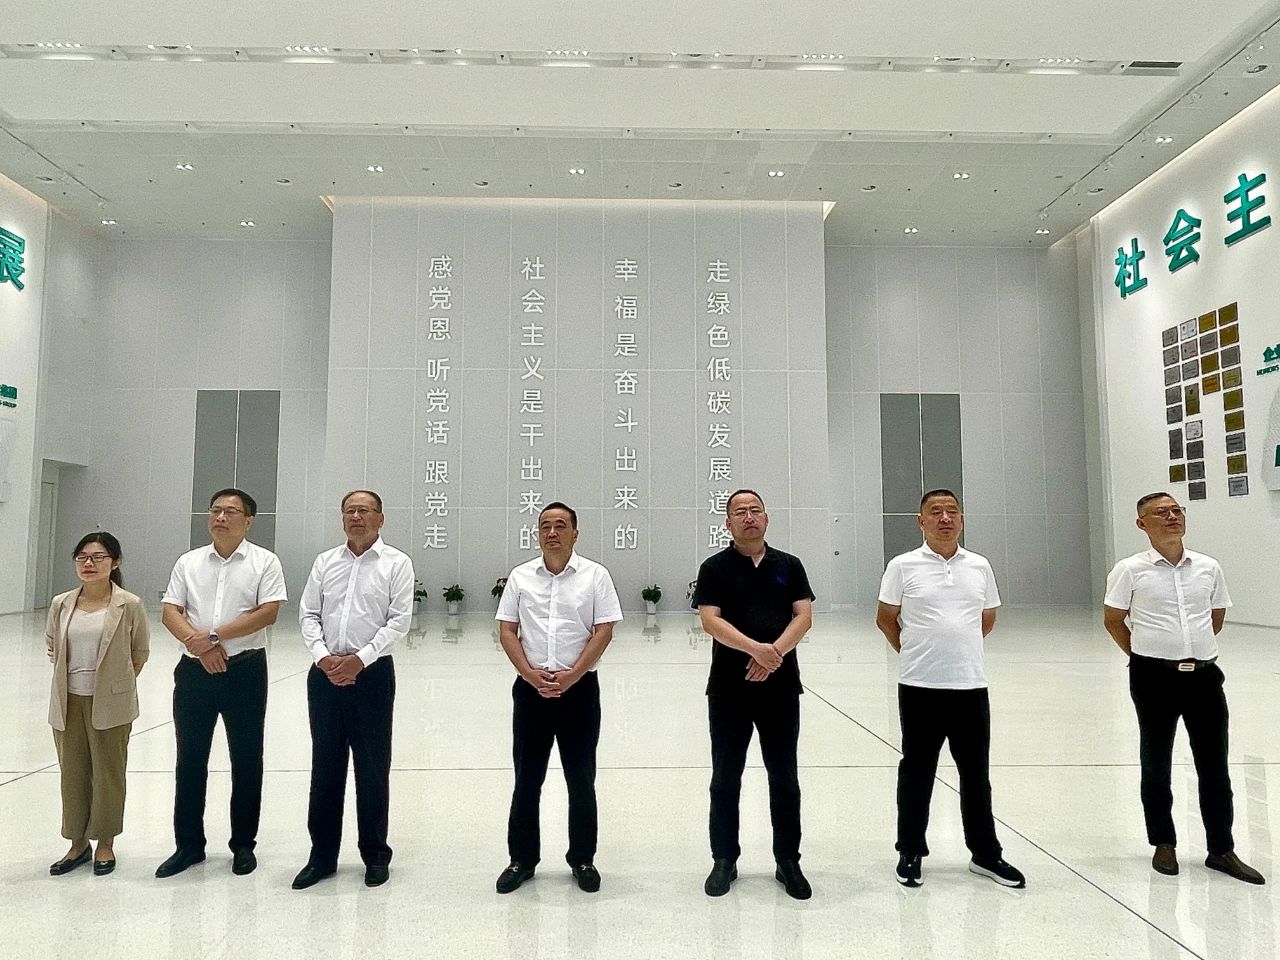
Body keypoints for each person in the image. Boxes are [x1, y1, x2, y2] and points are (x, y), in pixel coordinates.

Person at [1103, 492, 1265, 884]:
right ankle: (1163, 842)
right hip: (1153, 678)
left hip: (1204, 678)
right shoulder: (1129, 570)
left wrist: (1190, 648)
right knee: (1156, 761)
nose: (1173, 516)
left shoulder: (1208, 567)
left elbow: (1216, 615)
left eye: (1177, 510)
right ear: (1142, 523)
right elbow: (1113, 619)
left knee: (1214, 764)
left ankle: (1221, 849)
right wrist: (1144, 655)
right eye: (1162, 512)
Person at [876, 489, 1025, 889]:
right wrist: (916, 651)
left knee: (976, 775)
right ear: (921, 521)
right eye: (936, 512)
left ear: (961, 519)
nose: (945, 518)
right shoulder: (902, 566)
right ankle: (910, 851)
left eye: (952, 511)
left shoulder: (979, 566)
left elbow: (986, 619)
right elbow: (886, 618)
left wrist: (958, 649)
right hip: (920, 686)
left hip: (970, 686)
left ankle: (985, 853)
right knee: (917, 771)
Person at [155, 488, 288, 878]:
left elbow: (267, 613)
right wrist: (198, 646)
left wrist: (213, 638)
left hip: (245, 670)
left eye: (231, 511)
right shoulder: (189, 561)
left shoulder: (265, 561)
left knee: (246, 759)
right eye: (216, 510)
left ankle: (243, 845)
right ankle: (188, 846)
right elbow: (170, 610)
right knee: (190, 759)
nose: (221, 518)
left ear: (249, 520)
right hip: (193, 672)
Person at [493, 502, 622, 894]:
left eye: (561, 525)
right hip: (531, 691)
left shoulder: (595, 575)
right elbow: (507, 629)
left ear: (575, 533)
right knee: (527, 779)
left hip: (579, 691)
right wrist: (529, 674)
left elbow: (604, 630)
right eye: (545, 526)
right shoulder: (521, 577)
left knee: (580, 779)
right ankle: (521, 860)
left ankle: (582, 859)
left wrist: (572, 675)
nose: (552, 532)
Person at [693, 489, 814, 900]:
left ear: (767, 518)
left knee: (785, 778)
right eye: (740, 512)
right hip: (729, 689)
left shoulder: (789, 565)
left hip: (781, 688)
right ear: (728, 523)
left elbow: (804, 616)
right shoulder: (714, 568)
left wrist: (773, 654)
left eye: (755, 510)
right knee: (725, 778)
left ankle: (788, 860)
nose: (749, 517)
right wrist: (755, 650)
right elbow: (711, 621)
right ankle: (724, 859)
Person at [292, 490, 413, 890]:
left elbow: (398, 621)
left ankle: (375, 855)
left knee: (372, 767)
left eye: (364, 510)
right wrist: (323, 657)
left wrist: (360, 659)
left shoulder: (396, 563)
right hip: (324, 675)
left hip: (372, 676)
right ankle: (322, 856)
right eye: (349, 511)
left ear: (381, 517)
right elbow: (309, 614)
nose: (356, 517)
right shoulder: (325, 562)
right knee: (325, 766)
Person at [45, 532, 149, 877]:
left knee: (108, 774)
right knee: (72, 773)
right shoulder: (62, 603)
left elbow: (139, 653)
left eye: (98, 557)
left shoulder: (129, 604)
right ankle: (77, 843)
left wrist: (113, 686)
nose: (89, 563)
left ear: (114, 563)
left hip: (110, 703)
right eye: (83, 557)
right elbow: (52, 647)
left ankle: (105, 842)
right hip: (68, 701)